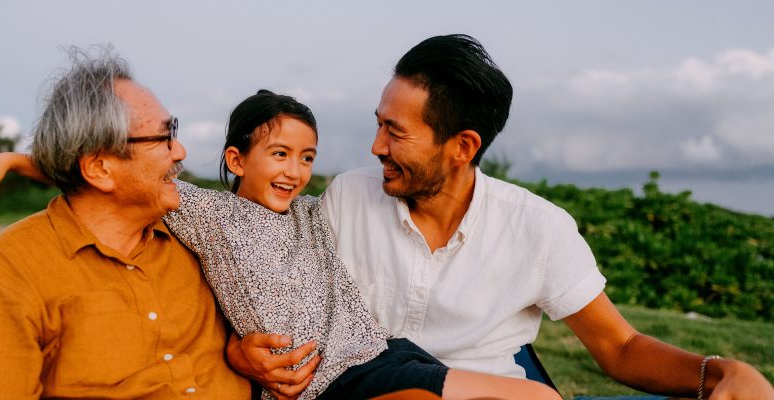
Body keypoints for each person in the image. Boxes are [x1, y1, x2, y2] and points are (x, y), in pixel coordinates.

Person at [225, 35, 774, 399]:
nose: (375, 146)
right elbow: (258, 262)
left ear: (462, 146)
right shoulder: (346, 199)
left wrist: (721, 370)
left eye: (395, 132)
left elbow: (621, 348)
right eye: (378, 124)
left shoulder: (538, 228)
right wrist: (234, 349)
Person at [0, 90, 561, 400]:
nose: (295, 170)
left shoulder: (315, 212)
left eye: (307, 157)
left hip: (380, 349)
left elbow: (418, 183)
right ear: (236, 159)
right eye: (280, 154)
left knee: (537, 396)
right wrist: (17, 160)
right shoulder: (210, 214)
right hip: (328, 384)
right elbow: (114, 174)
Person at [0, 48, 251, 399]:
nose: (179, 151)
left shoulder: (194, 234)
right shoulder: (7, 276)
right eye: (163, 137)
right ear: (100, 169)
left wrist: (241, 354)